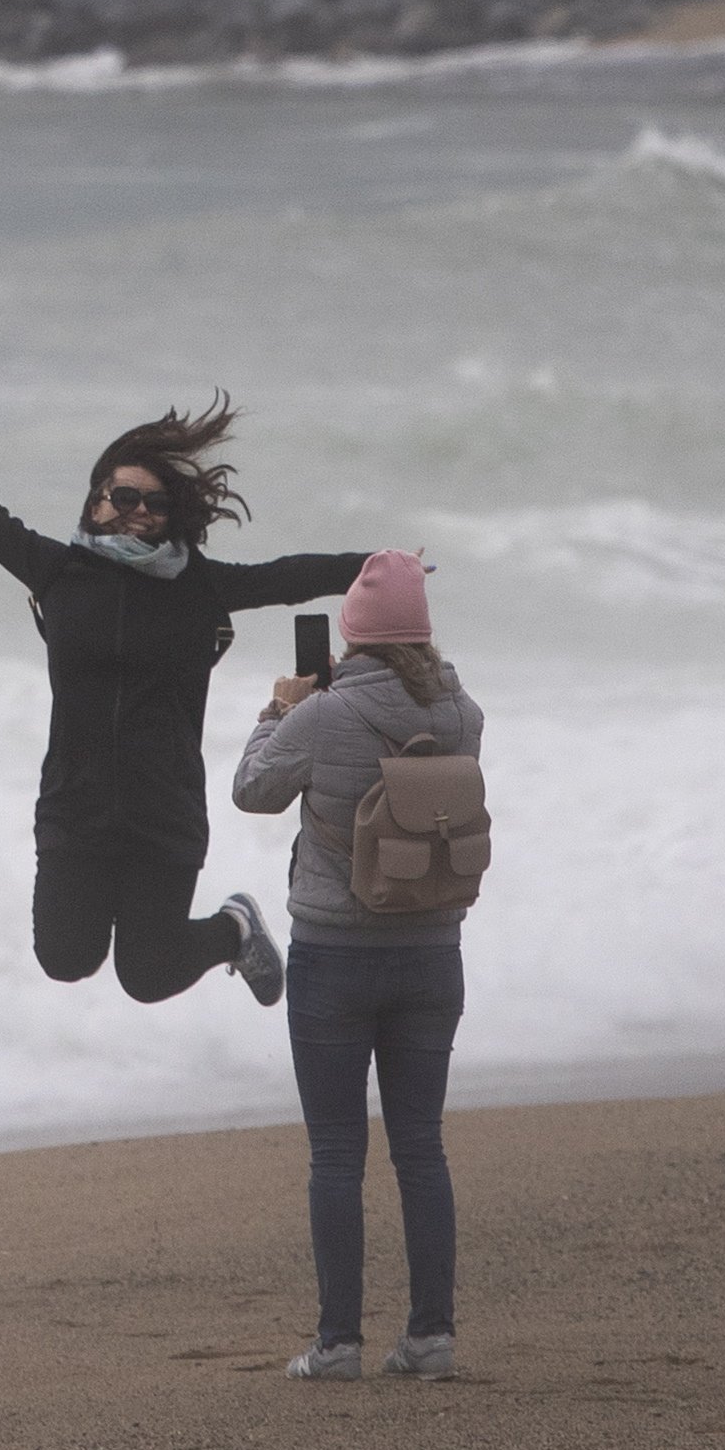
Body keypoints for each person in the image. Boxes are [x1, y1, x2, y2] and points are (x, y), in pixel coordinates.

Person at [0, 396, 372, 1009]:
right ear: (96, 501)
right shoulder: (57, 573)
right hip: (73, 806)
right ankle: (229, 929)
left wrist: (375, 570)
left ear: (172, 515)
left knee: (148, 976)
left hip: (161, 810)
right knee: (63, 958)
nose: (138, 511)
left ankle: (233, 928)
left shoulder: (199, 588)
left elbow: (287, 576)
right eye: (124, 497)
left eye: (154, 503)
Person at [233, 548, 479, 1381]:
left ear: (352, 631)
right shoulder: (461, 710)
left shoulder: (326, 712)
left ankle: (338, 1343)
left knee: (336, 1152)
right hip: (432, 952)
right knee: (422, 1147)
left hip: (335, 954)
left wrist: (277, 709)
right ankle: (431, 1337)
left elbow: (252, 790)